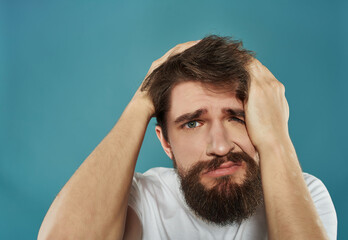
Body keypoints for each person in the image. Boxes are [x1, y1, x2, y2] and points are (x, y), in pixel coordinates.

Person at [38, 35, 337, 240]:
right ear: (165, 142)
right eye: (193, 123)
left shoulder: (307, 195)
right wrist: (141, 104)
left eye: (236, 118)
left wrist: (275, 140)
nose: (220, 146)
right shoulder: (140, 200)